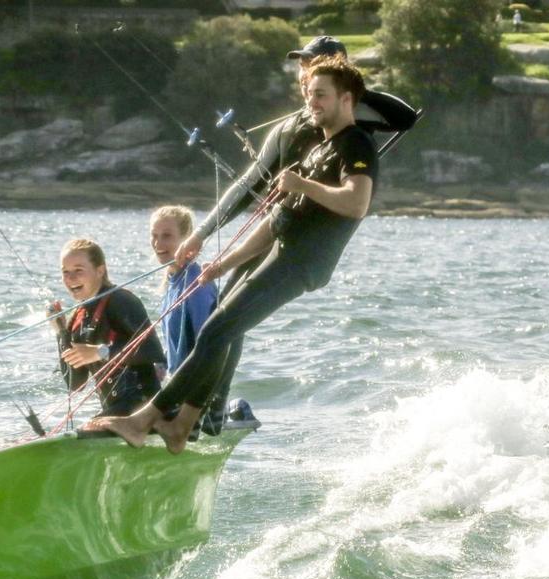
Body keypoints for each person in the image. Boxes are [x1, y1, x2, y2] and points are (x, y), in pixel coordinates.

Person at [94, 58, 378, 453]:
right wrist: (221, 265)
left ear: (346, 99)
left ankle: (144, 421)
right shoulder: (319, 147)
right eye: (308, 93)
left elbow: (357, 202)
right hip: (283, 250)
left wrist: (302, 184)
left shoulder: (356, 143)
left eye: (320, 94)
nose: (310, 101)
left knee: (215, 331)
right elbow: (275, 223)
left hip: (302, 263)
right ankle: (180, 427)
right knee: (218, 329)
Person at [179, 36, 416, 434]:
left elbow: (406, 118)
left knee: (228, 322)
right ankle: (203, 404)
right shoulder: (291, 127)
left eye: (316, 64)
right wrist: (202, 233)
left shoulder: (354, 117)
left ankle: (210, 408)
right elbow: (247, 183)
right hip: (273, 226)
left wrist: (348, 83)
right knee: (223, 314)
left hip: (303, 241)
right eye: (303, 65)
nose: (304, 70)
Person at [53, 238, 165, 418]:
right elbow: (76, 384)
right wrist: (62, 333)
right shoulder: (78, 316)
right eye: (65, 272)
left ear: (100, 270)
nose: (70, 278)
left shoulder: (121, 300)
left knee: (89, 431)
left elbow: (153, 351)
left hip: (145, 409)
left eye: (78, 270)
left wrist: (101, 352)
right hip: (115, 413)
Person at [149, 205, 217, 375]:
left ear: (187, 238)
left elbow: (207, 346)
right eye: (154, 235)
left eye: (167, 236)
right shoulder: (172, 281)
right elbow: (178, 344)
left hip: (194, 390)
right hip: (177, 384)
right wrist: (163, 364)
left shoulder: (197, 283)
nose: (157, 243)